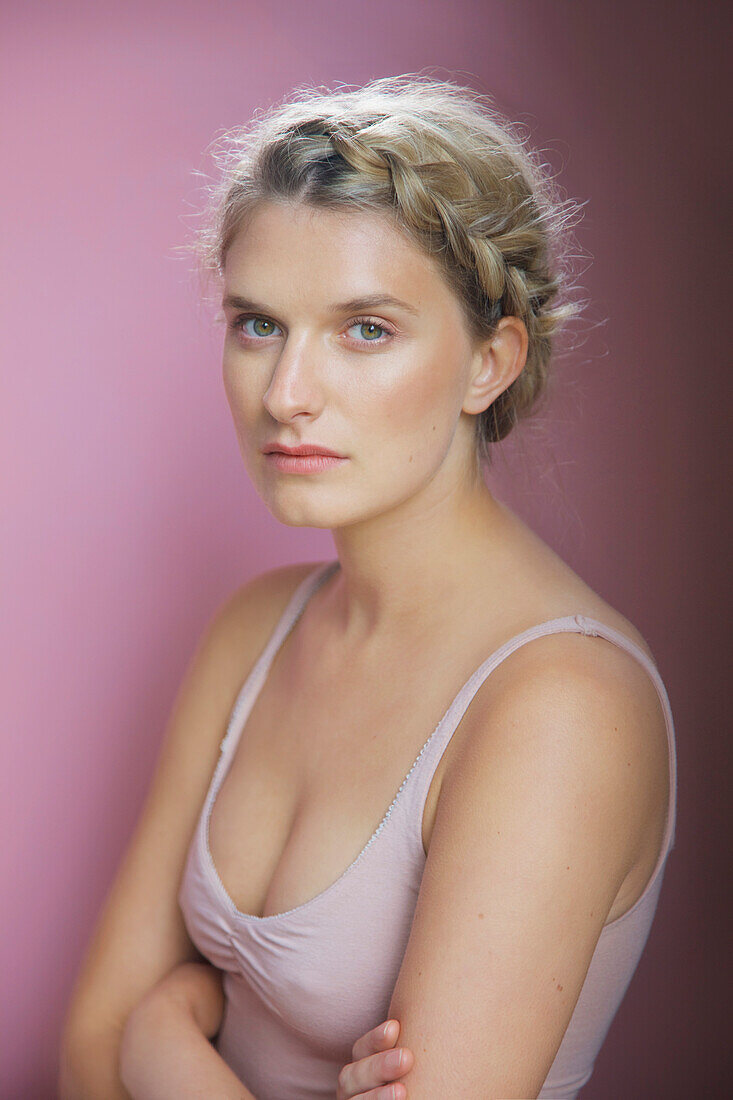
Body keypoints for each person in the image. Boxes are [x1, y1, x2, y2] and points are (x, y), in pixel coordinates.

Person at [59, 75, 677, 1100]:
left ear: (490, 361)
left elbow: (123, 1037)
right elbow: (84, 1050)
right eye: (259, 324)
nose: (287, 392)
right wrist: (120, 1041)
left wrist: (163, 1042)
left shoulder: (562, 706)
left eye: (366, 329)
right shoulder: (255, 629)